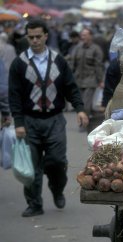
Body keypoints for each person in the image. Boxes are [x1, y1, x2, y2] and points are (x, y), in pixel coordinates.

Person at [8, 18, 89, 217]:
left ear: (45, 36)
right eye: (31, 37)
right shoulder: (19, 63)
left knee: (57, 162)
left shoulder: (58, 60)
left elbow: (70, 86)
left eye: (38, 36)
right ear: (27, 38)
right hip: (29, 121)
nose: (34, 40)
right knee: (32, 167)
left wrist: (79, 108)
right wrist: (18, 123)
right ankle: (35, 204)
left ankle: (57, 188)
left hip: (55, 120)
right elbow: (14, 95)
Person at [70, 27, 104, 117]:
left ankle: (84, 123)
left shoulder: (96, 49)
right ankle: (89, 119)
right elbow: (72, 63)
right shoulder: (77, 48)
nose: (82, 37)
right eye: (82, 35)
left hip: (90, 80)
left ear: (91, 36)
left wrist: (100, 80)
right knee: (80, 103)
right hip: (78, 80)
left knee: (86, 103)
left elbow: (98, 66)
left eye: (85, 35)